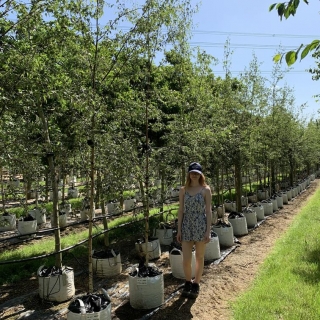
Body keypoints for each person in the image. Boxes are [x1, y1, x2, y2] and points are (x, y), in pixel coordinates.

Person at [177, 162, 212, 299]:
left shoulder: (205, 190)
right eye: (192, 172)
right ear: (188, 174)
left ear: (201, 174)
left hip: (200, 225)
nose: (194, 175)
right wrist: (179, 229)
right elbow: (180, 210)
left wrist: (208, 231)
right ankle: (187, 281)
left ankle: (196, 283)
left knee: (199, 256)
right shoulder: (183, 190)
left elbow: (208, 211)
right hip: (186, 225)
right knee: (186, 259)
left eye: (197, 173)